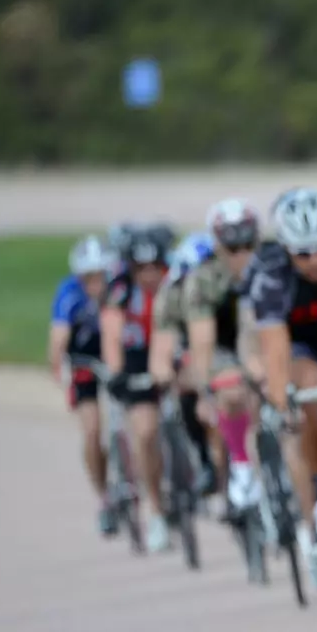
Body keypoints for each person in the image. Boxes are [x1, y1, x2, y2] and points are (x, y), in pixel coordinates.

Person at [249, 187, 317, 589]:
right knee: (306, 388)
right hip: (302, 348)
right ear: (288, 251)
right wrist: (282, 402)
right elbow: (275, 351)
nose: (316, 261)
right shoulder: (271, 276)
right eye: (303, 254)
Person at [183, 200, 266, 517]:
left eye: (248, 245)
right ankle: (242, 467)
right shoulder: (203, 280)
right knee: (232, 392)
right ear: (217, 245)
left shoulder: (270, 266)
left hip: (264, 340)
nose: (241, 255)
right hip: (223, 346)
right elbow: (202, 341)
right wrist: (204, 390)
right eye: (232, 248)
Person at [100, 224, 176, 552]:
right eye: (140, 269)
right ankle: (156, 511)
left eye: (155, 267)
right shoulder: (119, 291)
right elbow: (112, 335)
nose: (149, 275)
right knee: (144, 431)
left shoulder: (176, 283)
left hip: (172, 349)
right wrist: (116, 372)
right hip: (135, 358)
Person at [49, 235, 114, 534]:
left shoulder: (118, 289)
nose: (96, 283)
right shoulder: (69, 293)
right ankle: (103, 496)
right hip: (84, 360)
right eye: (89, 277)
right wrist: (61, 373)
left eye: (101, 275)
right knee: (91, 432)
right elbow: (58, 339)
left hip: (116, 355)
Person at [150, 232, 219, 497]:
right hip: (190, 354)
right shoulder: (170, 296)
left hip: (227, 348)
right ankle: (204, 459)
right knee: (186, 383)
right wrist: (164, 373)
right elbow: (162, 350)